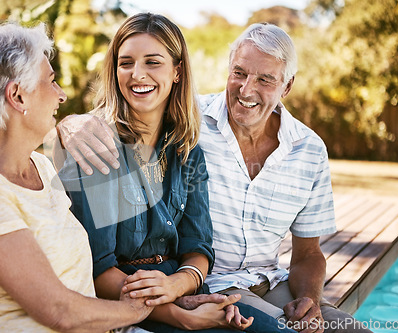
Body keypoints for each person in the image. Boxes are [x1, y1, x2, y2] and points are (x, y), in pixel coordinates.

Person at [57, 22, 373, 333]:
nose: (247, 89)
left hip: (247, 282)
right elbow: (99, 266)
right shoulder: (184, 124)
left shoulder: (188, 139)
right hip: (208, 286)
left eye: (265, 79)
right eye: (239, 73)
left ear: (286, 86)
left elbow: (305, 253)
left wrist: (308, 300)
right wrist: (70, 123)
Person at [0, 21, 156, 332]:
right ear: (18, 96)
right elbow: (59, 311)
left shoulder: (41, 167)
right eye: (50, 82)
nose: (62, 94)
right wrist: (135, 311)